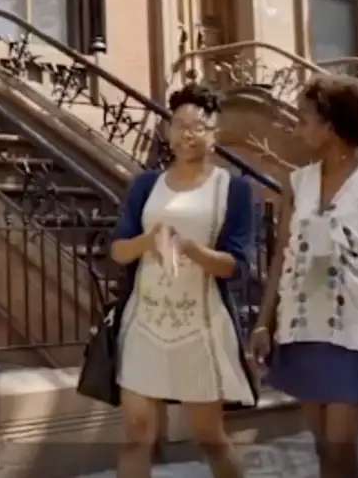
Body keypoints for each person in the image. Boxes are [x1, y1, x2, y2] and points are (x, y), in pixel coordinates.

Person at [250, 75, 358, 478]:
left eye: (305, 119)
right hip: (303, 326)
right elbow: (282, 255)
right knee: (325, 452)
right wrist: (264, 322)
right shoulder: (298, 183)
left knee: (341, 450)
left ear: (331, 125)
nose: (298, 128)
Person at [110, 83, 258, 478]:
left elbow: (238, 266)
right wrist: (148, 240)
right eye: (178, 124)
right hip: (145, 321)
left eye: (198, 126)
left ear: (215, 134)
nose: (187, 133)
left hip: (201, 325)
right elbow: (118, 250)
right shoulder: (146, 185)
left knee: (210, 436)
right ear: (167, 130)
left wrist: (191, 250)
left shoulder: (235, 190)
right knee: (136, 434)